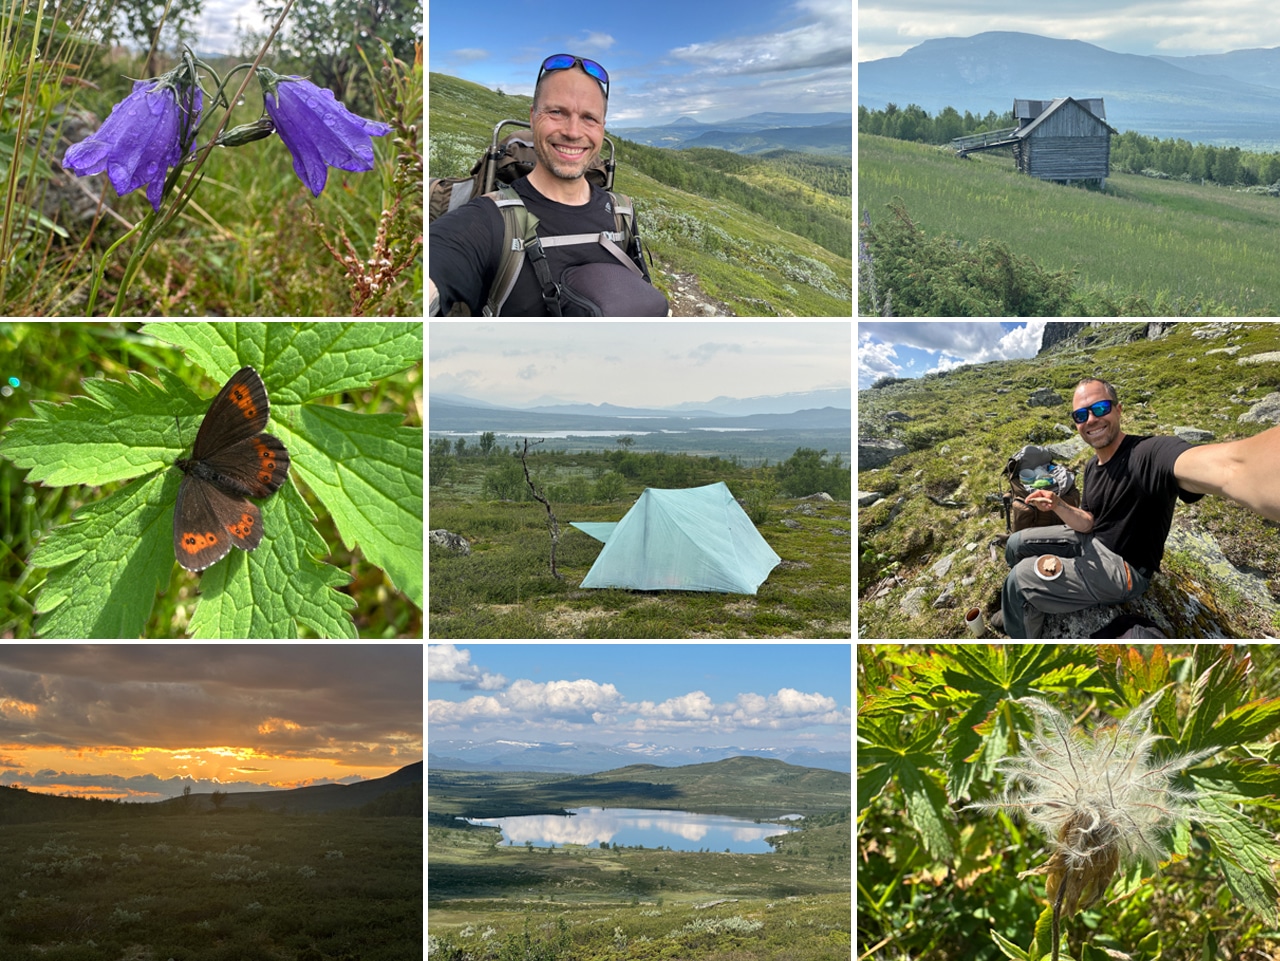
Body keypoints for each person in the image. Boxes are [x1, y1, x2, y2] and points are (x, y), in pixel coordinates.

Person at [995, 376, 1280, 638]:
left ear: (1119, 409)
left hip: (1125, 568)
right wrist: (1057, 504)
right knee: (1016, 543)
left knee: (1019, 580)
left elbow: (1231, 466)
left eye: (1100, 408)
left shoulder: (1148, 454)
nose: (1091, 419)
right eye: (1081, 415)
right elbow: (1089, 522)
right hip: (1092, 540)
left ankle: (1019, 628)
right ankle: (1017, 609)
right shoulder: (1093, 467)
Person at [429, 54, 662, 316]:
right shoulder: (486, 220)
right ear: (532, 116)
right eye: (556, 112)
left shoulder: (622, 212)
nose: (573, 132)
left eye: (589, 118)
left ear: (602, 127)